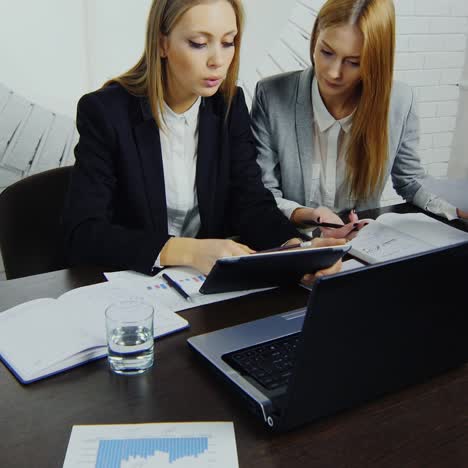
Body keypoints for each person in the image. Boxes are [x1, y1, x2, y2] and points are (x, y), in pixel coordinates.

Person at [63, 0, 343, 280]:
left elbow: (251, 203)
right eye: (199, 43)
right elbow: (84, 233)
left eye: (228, 42)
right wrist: (186, 251)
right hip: (128, 287)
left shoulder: (229, 106)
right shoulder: (104, 112)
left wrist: (295, 249)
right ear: (162, 44)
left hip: (201, 291)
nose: (217, 61)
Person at [251, 0, 468, 239]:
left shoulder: (399, 101)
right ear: (314, 38)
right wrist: (309, 214)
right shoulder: (271, 95)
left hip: (361, 244)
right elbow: (263, 192)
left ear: (375, 61)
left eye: (353, 62)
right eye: (326, 52)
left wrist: (453, 210)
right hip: (293, 241)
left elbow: (410, 181)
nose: (334, 72)